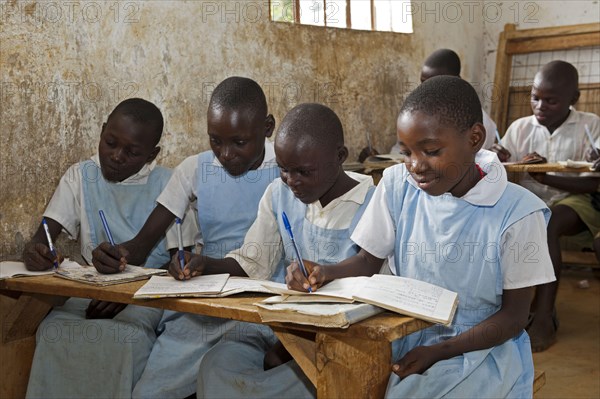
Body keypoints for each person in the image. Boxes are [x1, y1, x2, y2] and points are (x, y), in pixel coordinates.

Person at [288, 76, 555, 397]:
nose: (415, 165)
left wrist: (441, 351)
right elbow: (367, 260)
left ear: (474, 138)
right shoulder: (397, 184)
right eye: (406, 152)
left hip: (480, 347)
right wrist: (324, 272)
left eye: (430, 151)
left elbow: (513, 318)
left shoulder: (520, 212)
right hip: (404, 331)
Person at [89, 77, 280, 399]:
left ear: (267, 128)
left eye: (239, 142)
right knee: (151, 393)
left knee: (234, 382)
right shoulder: (195, 168)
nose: (225, 154)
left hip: (267, 300)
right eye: (215, 141)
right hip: (205, 299)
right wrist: (116, 258)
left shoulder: (287, 168)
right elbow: (142, 242)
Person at [183, 103, 376, 398]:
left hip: (340, 338)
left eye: (303, 172)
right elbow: (253, 263)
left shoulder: (373, 204)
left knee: (314, 379)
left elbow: (373, 286)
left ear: (340, 157)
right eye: (284, 169)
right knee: (217, 364)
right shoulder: (278, 193)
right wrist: (202, 263)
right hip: (280, 326)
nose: (292, 181)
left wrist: (298, 343)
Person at [23, 98, 196, 398]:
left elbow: (182, 266)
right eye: (110, 142)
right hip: (88, 294)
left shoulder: (169, 184)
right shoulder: (81, 176)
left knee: (124, 340)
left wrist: (129, 295)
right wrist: (36, 251)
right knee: (52, 332)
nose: (116, 156)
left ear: (152, 154)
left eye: (132, 152)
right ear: (102, 132)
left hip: (144, 302)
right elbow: (43, 238)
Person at [491, 60, 600, 351]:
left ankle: (543, 316)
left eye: (551, 101)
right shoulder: (519, 127)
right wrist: (500, 161)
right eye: (535, 97)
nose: (540, 106)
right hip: (529, 201)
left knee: (547, 222)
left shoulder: (591, 126)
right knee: (502, 221)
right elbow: (506, 175)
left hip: (574, 201)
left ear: (573, 100)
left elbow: (593, 184)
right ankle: (511, 307)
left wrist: (546, 177)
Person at [389, 48, 497, 155]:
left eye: (437, 83)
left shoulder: (476, 120)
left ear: (456, 80)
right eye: (423, 82)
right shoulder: (415, 116)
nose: (427, 89)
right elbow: (398, 150)